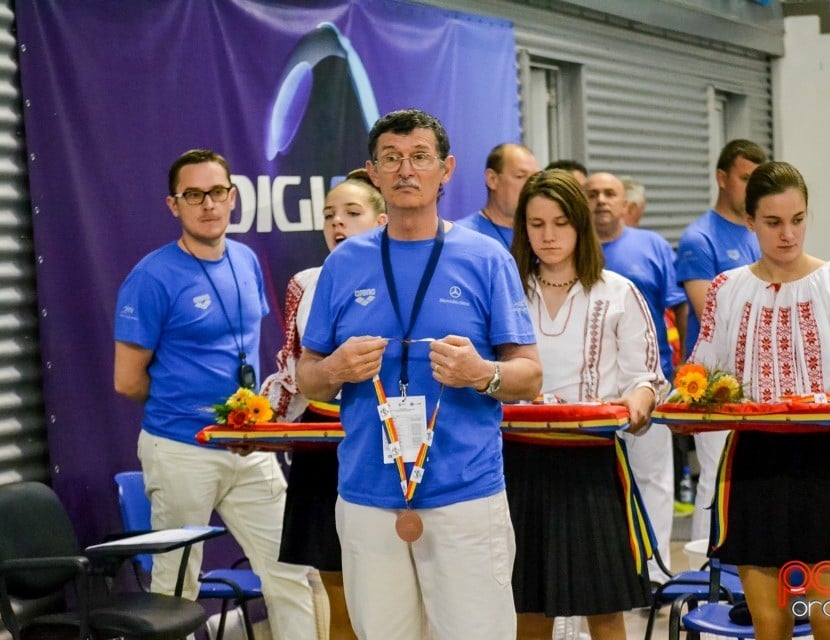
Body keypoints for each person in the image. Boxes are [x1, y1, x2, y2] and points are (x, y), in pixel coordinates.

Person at [295, 108, 543, 640]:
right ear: (374, 172)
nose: (406, 170)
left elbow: (530, 375)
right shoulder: (344, 264)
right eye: (391, 159)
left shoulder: (486, 258)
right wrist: (335, 367)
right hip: (367, 493)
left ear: (446, 169)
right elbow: (308, 376)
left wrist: (482, 373)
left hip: (465, 493)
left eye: (420, 157)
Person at [689, 161, 830, 640]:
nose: (788, 234)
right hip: (753, 466)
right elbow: (699, 372)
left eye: (798, 219)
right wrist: (674, 401)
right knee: (770, 626)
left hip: (822, 467)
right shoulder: (727, 289)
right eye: (773, 222)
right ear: (749, 221)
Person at [113, 149, 321, 639]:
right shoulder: (151, 277)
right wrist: (185, 408)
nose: (207, 204)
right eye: (193, 195)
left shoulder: (246, 260)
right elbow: (127, 380)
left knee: (292, 571)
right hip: (183, 448)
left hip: (250, 448)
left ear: (233, 197)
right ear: (174, 205)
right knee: (176, 587)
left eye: (217, 192)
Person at [508, 169, 668, 640]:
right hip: (519, 460)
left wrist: (640, 400)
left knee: (604, 606)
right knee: (529, 607)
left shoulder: (619, 292)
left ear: (580, 224)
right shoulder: (508, 292)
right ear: (524, 229)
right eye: (536, 224)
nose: (549, 235)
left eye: (560, 222)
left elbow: (648, 378)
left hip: (593, 463)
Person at [260, 169, 387, 640]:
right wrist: (259, 420)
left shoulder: (406, 276)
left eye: (352, 214)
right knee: (335, 586)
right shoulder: (305, 282)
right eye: (329, 215)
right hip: (323, 441)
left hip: (385, 441)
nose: (338, 224)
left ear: (381, 219)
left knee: (394, 582)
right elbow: (294, 368)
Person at [585, 170, 686, 584]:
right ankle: (607, 573)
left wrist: (682, 371)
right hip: (591, 394)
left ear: (626, 202)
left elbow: (677, 307)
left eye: (610, 193)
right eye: (592, 194)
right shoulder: (571, 249)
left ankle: (656, 575)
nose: (601, 201)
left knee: (654, 480)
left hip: (649, 384)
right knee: (599, 485)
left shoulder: (653, 246)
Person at [674, 138, 767, 541]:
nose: (753, 187)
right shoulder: (700, 238)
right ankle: (705, 569)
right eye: (747, 178)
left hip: (757, 377)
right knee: (715, 476)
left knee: (754, 477)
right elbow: (708, 313)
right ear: (722, 178)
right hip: (715, 380)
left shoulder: (759, 230)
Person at [456, 142, 539, 248]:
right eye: (520, 176)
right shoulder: (462, 237)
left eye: (535, 178)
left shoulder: (540, 236)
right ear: (492, 179)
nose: (532, 185)